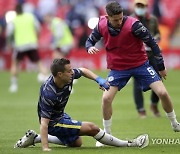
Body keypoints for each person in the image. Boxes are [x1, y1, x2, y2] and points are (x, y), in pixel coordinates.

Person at [85, 1, 180, 147]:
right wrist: (89, 47)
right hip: (118, 69)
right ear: (108, 17)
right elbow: (89, 41)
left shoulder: (134, 25)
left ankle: (174, 123)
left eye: (121, 18)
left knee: (162, 93)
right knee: (106, 99)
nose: (119, 21)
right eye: (115, 19)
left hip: (140, 65)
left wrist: (161, 67)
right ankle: (107, 135)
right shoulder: (101, 25)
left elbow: (153, 44)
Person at [14, 58, 149, 151]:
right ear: (60, 74)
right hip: (53, 123)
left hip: (60, 116)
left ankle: (34, 138)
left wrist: (99, 79)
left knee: (76, 143)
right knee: (92, 128)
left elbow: (83, 70)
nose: (72, 73)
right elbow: (44, 123)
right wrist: (45, 148)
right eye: (69, 71)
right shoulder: (49, 92)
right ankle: (129, 144)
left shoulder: (66, 77)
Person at [6, 4, 48, 93]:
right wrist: (37, 37)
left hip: (20, 45)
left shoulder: (14, 20)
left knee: (15, 64)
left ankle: (14, 85)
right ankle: (49, 83)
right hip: (32, 44)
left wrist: (10, 43)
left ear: (16, 11)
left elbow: (9, 33)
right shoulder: (30, 17)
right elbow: (38, 28)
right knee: (39, 64)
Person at [131, 0, 161, 118]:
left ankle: (154, 103)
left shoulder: (153, 19)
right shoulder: (130, 20)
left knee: (157, 80)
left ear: (146, 6)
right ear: (135, 6)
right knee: (137, 84)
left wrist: (155, 39)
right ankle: (141, 110)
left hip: (151, 54)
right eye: (138, 5)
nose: (140, 7)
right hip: (137, 56)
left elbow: (158, 34)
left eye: (142, 5)